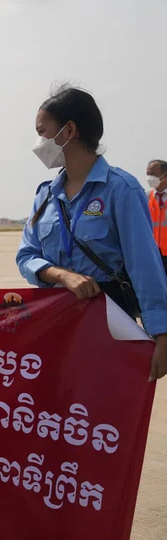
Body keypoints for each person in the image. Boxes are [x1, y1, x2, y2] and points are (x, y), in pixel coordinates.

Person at [18, 86, 167, 382]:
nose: (39, 142)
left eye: (43, 131)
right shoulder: (46, 196)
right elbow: (26, 255)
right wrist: (62, 276)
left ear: (69, 130)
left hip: (109, 325)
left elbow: (144, 265)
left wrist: (162, 333)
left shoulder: (120, 189)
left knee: (105, 412)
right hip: (56, 324)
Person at [146, 160, 167, 275]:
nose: (149, 177)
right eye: (147, 174)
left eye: (152, 174)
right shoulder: (146, 196)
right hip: (153, 255)